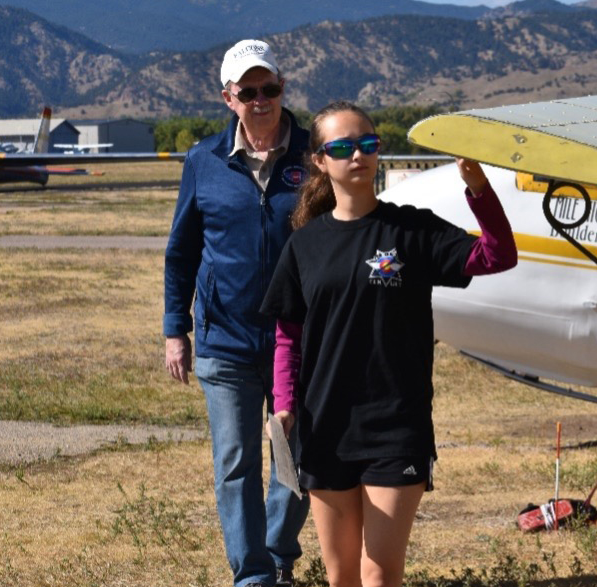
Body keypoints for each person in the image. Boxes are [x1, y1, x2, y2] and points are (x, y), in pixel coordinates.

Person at [259, 101, 517, 587]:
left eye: (368, 144)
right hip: (325, 428)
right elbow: (287, 336)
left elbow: (497, 255)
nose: (358, 155)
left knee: (379, 574)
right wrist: (286, 408)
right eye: (341, 147)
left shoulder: (413, 230)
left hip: (396, 427)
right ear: (319, 160)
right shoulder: (304, 244)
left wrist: (478, 188)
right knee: (342, 577)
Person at [163, 39, 310, 587]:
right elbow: (181, 253)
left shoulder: (315, 155)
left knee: (296, 458)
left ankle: (275, 553)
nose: (260, 100)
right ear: (228, 98)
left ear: (282, 88)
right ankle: (252, 577)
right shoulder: (204, 161)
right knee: (235, 464)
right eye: (247, 92)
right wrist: (175, 330)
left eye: (269, 88)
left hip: (299, 338)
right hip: (225, 339)